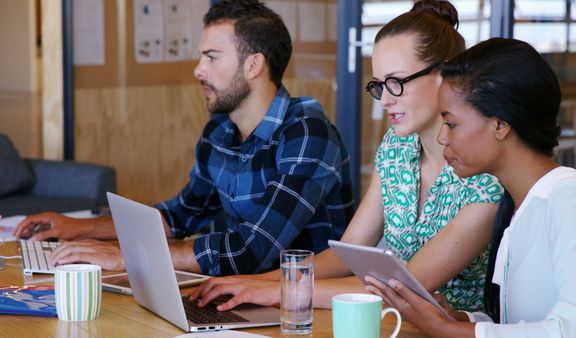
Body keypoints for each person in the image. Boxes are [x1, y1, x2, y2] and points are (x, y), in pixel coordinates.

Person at [187, 0, 503, 313]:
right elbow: (347, 253)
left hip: (453, 328)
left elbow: (406, 286)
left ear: (443, 74)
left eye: (396, 83)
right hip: (394, 323)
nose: (385, 101)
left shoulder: (484, 176)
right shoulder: (397, 148)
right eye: (379, 85)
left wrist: (274, 290)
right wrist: (253, 283)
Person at [13, 0, 355, 276]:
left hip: (302, 306)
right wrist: (76, 228)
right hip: (243, 294)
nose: (198, 70)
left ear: (253, 65)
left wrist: (128, 256)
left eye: (211, 57)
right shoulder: (219, 132)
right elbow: (178, 218)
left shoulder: (307, 132)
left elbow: (250, 250)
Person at [366, 37, 576, 337]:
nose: (443, 138)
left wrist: (443, 328)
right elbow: (523, 323)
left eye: (451, 123)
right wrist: (459, 318)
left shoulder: (568, 196)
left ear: (500, 125)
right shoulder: (519, 203)